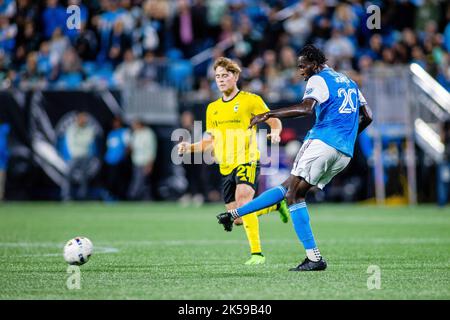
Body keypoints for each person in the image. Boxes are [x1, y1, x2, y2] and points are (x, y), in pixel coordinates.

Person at [217, 45, 373, 271]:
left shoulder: (318, 78)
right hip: (344, 152)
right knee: (292, 190)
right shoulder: (348, 81)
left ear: (316, 64)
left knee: (292, 194)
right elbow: (367, 116)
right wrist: (347, 136)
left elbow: (306, 109)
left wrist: (268, 114)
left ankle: (314, 258)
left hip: (322, 142)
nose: (300, 71)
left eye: (303, 66)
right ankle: (234, 214)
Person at [177, 57, 290, 265]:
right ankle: (274, 205)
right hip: (226, 165)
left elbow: (274, 120)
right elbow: (209, 140)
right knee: (237, 217)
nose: (220, 80)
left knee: (244, 201)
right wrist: (190, 147)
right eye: (217, 76)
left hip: (247, 160)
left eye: (225, 75)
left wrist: (275, 132)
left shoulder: (250, 100)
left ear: (235, 76)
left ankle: (257, 254)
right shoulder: (213, 108)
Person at [61, 111, 97, 201]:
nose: (83, 120)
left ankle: (82, 197)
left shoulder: (89, 129)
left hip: (85, 156)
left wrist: (79, 140)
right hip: (74, 157)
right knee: (67, 176)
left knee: (84, 178)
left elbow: (88, 141)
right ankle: (66, 196)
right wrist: (81, 140)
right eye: (81, 118)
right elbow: (72, 142)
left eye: (84, 118)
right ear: (77, 119)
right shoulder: (72, 128)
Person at [128, 119, 157, 201]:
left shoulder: (148, 133)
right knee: (140, 181)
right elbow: (131, 147)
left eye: (135, 125)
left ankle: (134, 197)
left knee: (142, 181)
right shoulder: (135, 133)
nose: (133, 127)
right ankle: (143, 198)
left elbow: (152, 149)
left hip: (145, 162)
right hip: (136, 162)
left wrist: (149, 164)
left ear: (140, 124)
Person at [104, 116, 131, 200]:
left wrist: (123, 157)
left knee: (119, 180)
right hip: (110, 161)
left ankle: (120, 197)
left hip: (119, 161)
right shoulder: (111, 133)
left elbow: (128, 146)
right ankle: (110, 196)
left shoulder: (124, 132)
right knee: (110, 180)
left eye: (117, 122)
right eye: (114, 122)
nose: (116, 124)